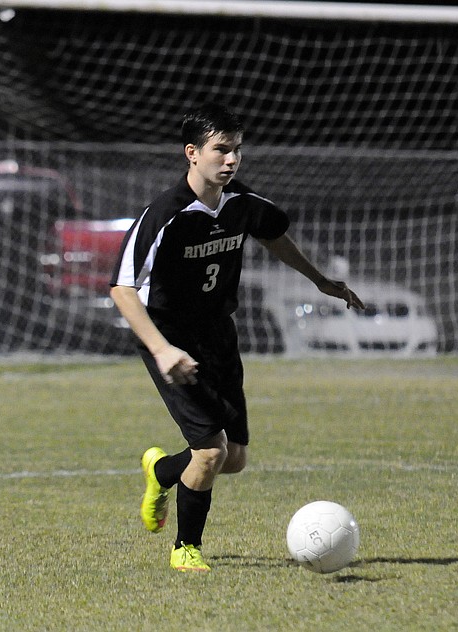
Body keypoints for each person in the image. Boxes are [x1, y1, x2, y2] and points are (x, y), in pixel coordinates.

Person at [108, 103, 364, 573]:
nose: (231, 159)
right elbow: (121, 288)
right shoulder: (165, 213)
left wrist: (321, 281)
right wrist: (162, 350)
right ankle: (186, 549)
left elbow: (273, 235)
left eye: (237, 150)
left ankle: (161, 471)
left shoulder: (242, 203)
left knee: (235, 458)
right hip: (169, 337)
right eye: (221, 150)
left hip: (218, 334)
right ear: (192, 153)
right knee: (210, 451)